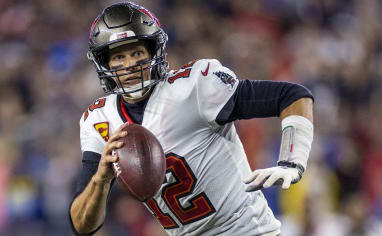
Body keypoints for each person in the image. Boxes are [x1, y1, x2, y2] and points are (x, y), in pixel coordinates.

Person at [69, 2, 314, 236]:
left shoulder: (193, 88)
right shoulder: (98, 120)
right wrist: (100, 179)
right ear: (105, 64)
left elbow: (292, 95)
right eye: (119, 57)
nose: (130, 64)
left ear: (154, 53)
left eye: (137, 53)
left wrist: (292, 161)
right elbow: (82, 226)